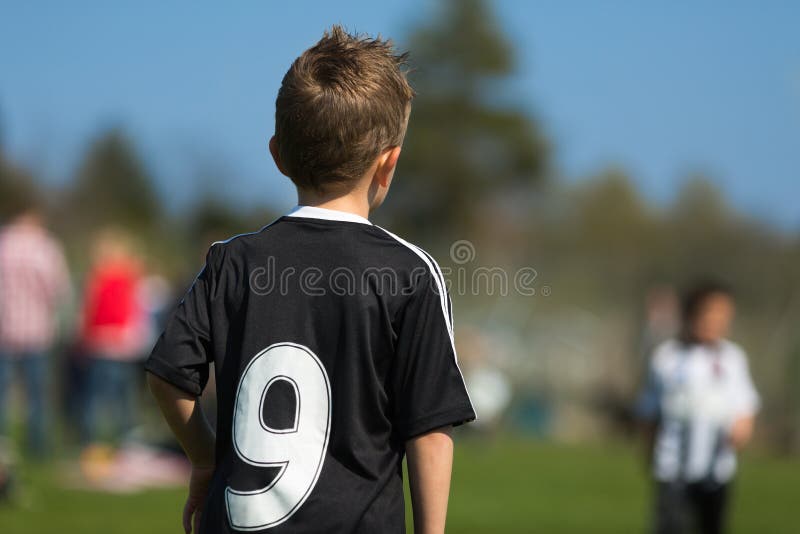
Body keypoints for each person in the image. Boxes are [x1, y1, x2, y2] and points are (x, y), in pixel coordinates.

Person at [146, 26, 476, 534]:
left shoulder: (233, 261)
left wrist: (206, 459)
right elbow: (429, 431)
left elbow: (169, 375)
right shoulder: (410, 273)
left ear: (277, 155)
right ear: (389, 164)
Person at [637, 280, 759, 534]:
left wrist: (743, 426)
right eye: (710, 314)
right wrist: (648, 446)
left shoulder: (733, 358)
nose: (717, 321)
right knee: (671, 525)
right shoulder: (667, 357)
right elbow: (649, 409)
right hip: (672, 468)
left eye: (724, 316)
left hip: (716, 470)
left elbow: (745, 403)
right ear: (690, 315)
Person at [0, 206, 70, 457]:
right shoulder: (45, 247)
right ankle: (37, 447)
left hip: (5, 328)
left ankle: (3, 445)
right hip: (37, 329)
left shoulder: (4, 243)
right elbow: (58, 288)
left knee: (3, 392)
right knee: (38, 393)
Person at [79, 229, 149, 447]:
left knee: (98, 395)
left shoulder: (98, 279)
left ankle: (92, 439)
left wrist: (84, 337)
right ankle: (126, 437)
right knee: (123, 396)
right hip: (122, 345)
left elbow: (88, 311)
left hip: (103, 343)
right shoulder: (129, 277)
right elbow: (136, 310)